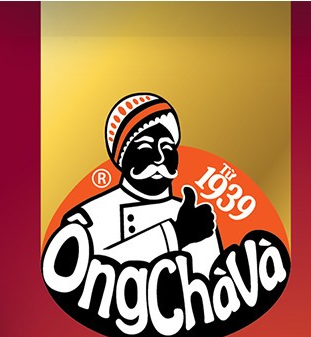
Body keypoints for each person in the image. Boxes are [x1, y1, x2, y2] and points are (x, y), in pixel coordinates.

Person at [64, 93, 221, 274]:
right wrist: (176, 234)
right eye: (145, 147)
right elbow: (77, 274)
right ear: (121, 159)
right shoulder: (86, 218)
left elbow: (211, 280)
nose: (159, 158)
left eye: (167, 148)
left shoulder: (198, 219)